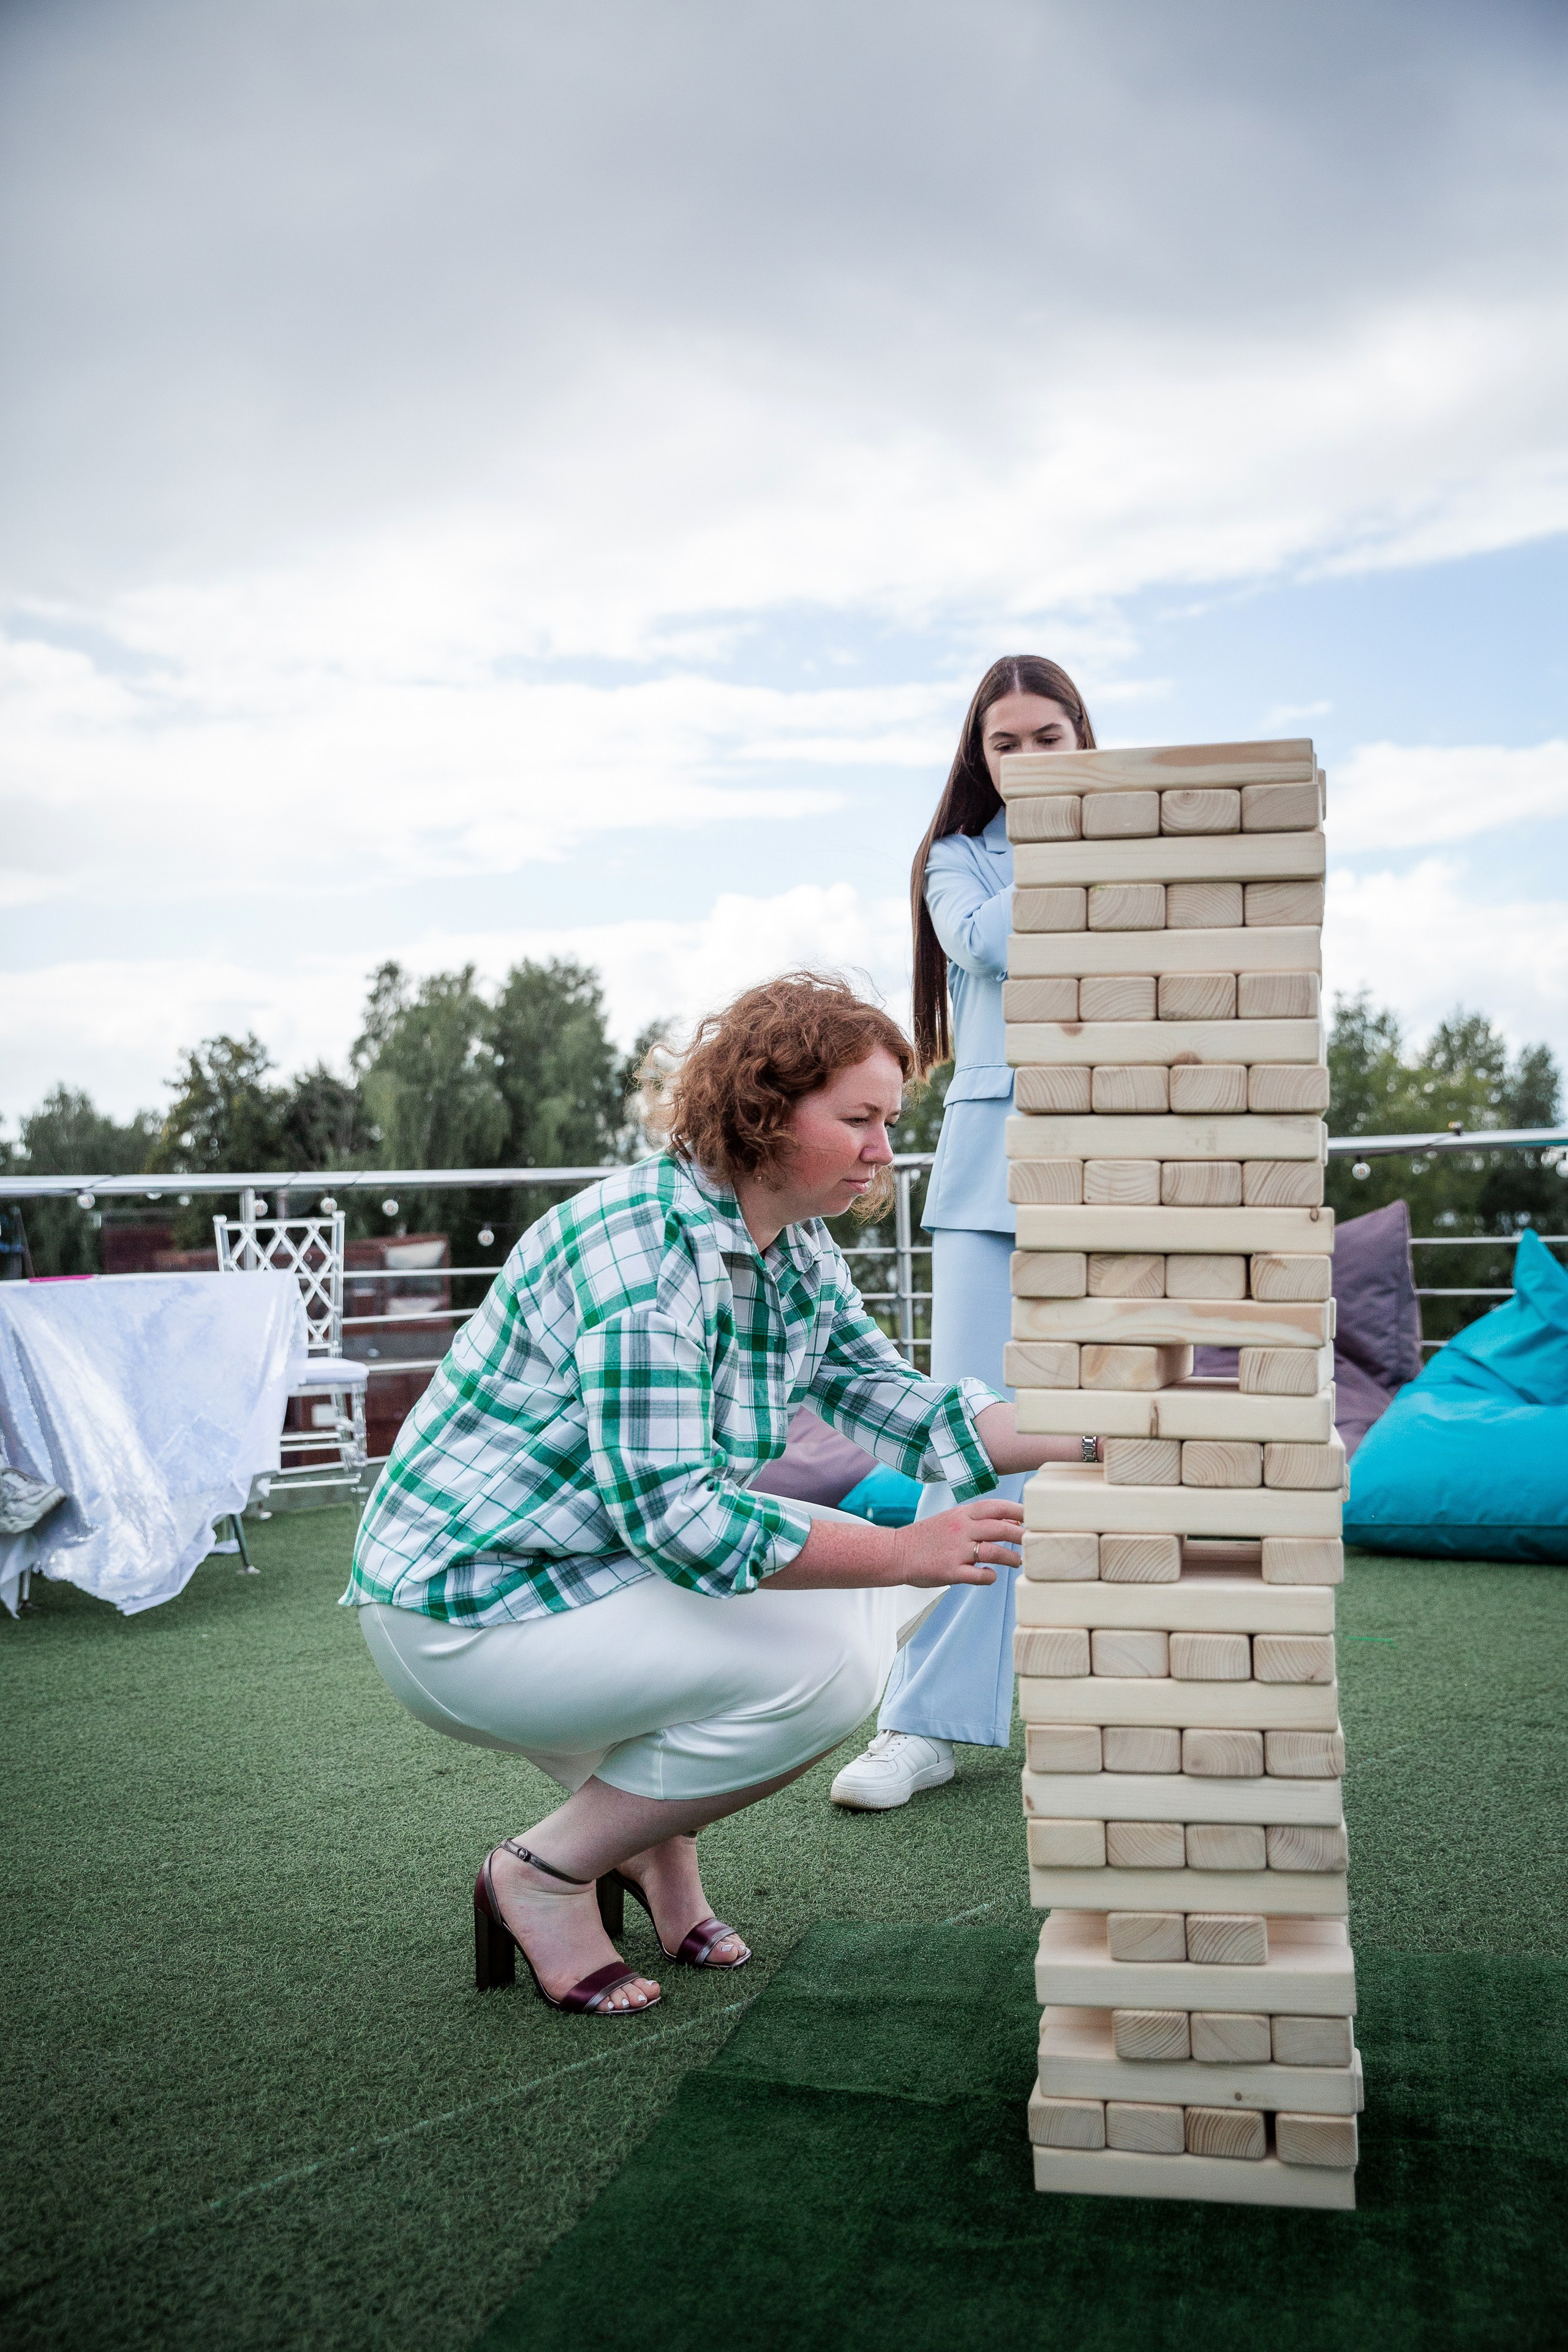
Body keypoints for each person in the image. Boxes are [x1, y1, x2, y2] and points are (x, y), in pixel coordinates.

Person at [344, 973, 1062, 2016]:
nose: (883, 1151)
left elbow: (896, 1400)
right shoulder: (645, 1255)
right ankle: (540, 1875)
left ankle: (653, 1858)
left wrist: (1103, 1432)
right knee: (829, 1665)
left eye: (889, 1122)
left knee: (835, 1595)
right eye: (858, 1119)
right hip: (462, 1609)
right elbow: (679, 1520)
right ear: (765, 1111)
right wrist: (908, 1550)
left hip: (580, 1567)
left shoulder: (791, 1243)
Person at [829, 656, 1096, 1811]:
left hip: (1138, 1180)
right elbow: (991, 943)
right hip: (994, 1187)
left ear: (1086, 738)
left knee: (1151, 1423)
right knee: (969, 1438)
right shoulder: (962, 862)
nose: (1031, 759)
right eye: (1010, 744)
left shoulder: (1162, 853)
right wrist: (1082, 839)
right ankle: (925, 1722)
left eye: (1053, 739)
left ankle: (1145, 1699)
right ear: (980, 760)